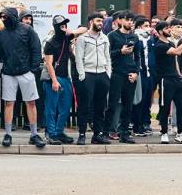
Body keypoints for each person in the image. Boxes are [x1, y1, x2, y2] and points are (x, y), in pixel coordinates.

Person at [0, 7, 45, 148]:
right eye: (1, 17)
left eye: (5, 17)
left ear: (12, 16)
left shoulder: (27, 30)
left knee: (31, 103)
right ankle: (8, 134)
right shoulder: (1, 34)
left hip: (26, 72)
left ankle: (34, 134)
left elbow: (36, 48)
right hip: (8, 73)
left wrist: (33, 69)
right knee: (9, 103)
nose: (3, 19)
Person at [74, 12, 112, 145]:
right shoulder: (82, 38)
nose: (100, 23)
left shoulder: (105, 38)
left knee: (100, 106)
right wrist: (82, 75)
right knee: (84, 106)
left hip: (102, 74)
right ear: (90, 22)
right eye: (98, 21)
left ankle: (98, 134)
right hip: (88, 74)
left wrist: (108, 73)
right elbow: (78, 58)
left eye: (102, 21)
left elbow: (107, 57)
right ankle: (82, 134)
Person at [155, 19, 182, 144]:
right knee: (165, 107)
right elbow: (177, 52)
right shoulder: (159, 45)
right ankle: (164, 132)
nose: (169, 30)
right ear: (160, 31)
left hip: (176, 79)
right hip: (165, 79)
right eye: (166, 29)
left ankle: (181, 133)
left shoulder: (170, 43)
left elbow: (175, 60)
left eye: (169, 28)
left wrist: (179, 74)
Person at [106, 10, 139, 144]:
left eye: (132, 20)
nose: (130, 22)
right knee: (112, 103)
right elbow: (107, 54)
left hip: (130, 73)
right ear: (120, 21)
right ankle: (106, 131)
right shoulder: (112, 36)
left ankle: (124, 132)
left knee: (128, 105)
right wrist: (121, 51)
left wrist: (136, 72)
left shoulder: (135, 37)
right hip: (117, 72)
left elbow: (138, 57)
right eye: (127, 20)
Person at [43, 15, 75, 145]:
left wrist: (71, 32)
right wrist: (54, 81)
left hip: (66, 77)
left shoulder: (67, 38)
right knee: (51, 107)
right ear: (56, 27)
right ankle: (51, 133)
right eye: (61, 26)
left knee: (65, 107)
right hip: (53, 78)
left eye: (65, 25)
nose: (64, 28)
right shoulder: (50, 43)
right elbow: (49, 64)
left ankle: (59, 131)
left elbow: (84, 29)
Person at [132, 16, 154, 136]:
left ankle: (145, 123)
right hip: (140, 72)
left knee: (147, 99)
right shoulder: (136, 38)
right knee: (139, 99)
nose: (148, 28)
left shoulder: (150, 40)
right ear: (139, 27)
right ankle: (137, 125)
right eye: (146, 26)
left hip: (149, 73)